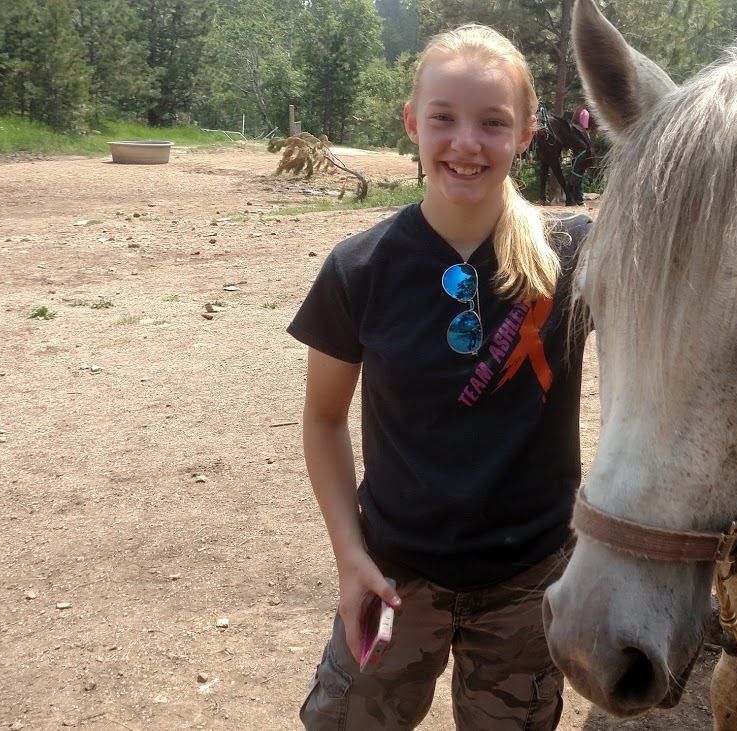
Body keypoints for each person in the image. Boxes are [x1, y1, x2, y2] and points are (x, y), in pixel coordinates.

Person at [287, 23, 592, 731]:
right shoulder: (359, 269)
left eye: (493, 123)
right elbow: (324, 419)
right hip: (392, 577)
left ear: (527, 133)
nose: (466, 143)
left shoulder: (574, 258)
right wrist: (350, 558)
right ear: (412, 124)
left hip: (530, 583)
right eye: (444, 118)